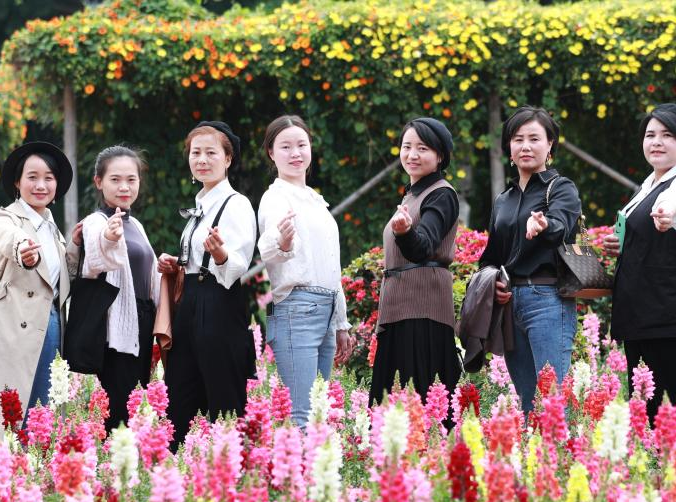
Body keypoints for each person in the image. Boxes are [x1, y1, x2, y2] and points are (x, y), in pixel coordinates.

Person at [605, 103, 676, 441]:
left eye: (667, 135)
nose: (656, 141)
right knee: (650, 413)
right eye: (650, 134)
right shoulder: (650, 184)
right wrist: (621, 244)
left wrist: (669, 212)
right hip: (645, 318)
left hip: (672, 321)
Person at [0, 141, 75, 439]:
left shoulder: (53, 229)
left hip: (51, 326)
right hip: (13, 328)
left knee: (41, 409)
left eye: (48, 178)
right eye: (32, 177)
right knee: (4, 412)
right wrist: (23, 250)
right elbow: (9, 239)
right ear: (17, 182)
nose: (41, 185)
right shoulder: (4, 218)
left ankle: (32, 462)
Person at [155, 121, 257, 447]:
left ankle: (231, 466)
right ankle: (178, 467)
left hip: (219, 305)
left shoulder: (236, 204)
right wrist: (177, 263)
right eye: (195, 152)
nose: (202, 159)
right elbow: (197, 260)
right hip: (190, 303)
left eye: (211, 153)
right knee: (180, 396)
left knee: (224, 398)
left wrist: (221, 255)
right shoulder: (200, 205)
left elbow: (238, 265)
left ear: (228, 159)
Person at [477, 106, 581, 413]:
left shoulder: (560, 188)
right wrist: (492, 280)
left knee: (552, 401)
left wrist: (544, 225)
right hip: (510, 304)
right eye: (518, 139)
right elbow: (492, 256)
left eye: (534, 139)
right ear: (509, 147)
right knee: (527, 402)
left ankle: (559, 446)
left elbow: (562, 225)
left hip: (548, 300)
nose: (525, 146)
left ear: (549, 145)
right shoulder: (503, 200)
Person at [257, 115, 351, 426]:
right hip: (296, 309)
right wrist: (283, 241)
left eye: (301, 145)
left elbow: (331, 265)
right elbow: (268, 246)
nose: (295, 153)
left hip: (326, 310)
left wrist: (341, 323)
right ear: (271, 153)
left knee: (319, 415)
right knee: (302, 415)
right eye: (285, 147)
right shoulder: (275, 198)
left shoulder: (315, 201)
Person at [369, 117, 461, 413]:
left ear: (440, 155)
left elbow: (423, 247)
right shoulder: (412, 194)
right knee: (394, 407)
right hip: (400, 307)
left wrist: (405, 232)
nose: (412, 155)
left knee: (420, 403)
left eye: (422, 148)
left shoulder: (441, 194)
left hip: (422, 310)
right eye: (406, 147)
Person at [77, 145, 161, 431]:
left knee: (138, 402)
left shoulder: (135, 223)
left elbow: (150, 274)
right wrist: (109, 239)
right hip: (115, 329)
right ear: (98, 182)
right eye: (115, 179)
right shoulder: (95, 222)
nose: (124, 187)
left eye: (131, 179)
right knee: (119, 408)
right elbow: (94, 260)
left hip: (143, 322)